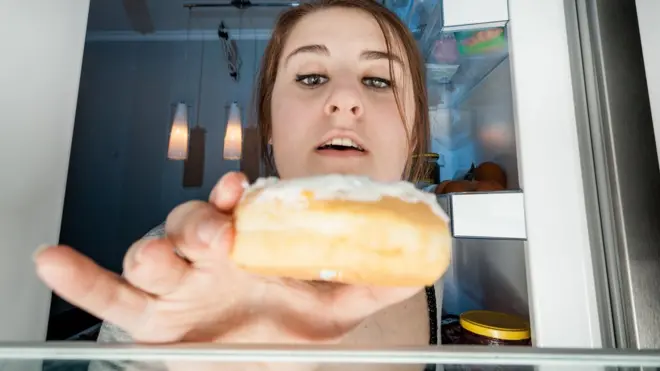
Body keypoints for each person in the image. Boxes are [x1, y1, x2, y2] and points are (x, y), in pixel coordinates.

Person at [33, 0, 443, 370]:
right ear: (268, 126)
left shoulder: (428, 270)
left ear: (413, 133)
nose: (344, 97)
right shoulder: (181, 270)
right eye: (312, 77)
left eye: (378, 80)